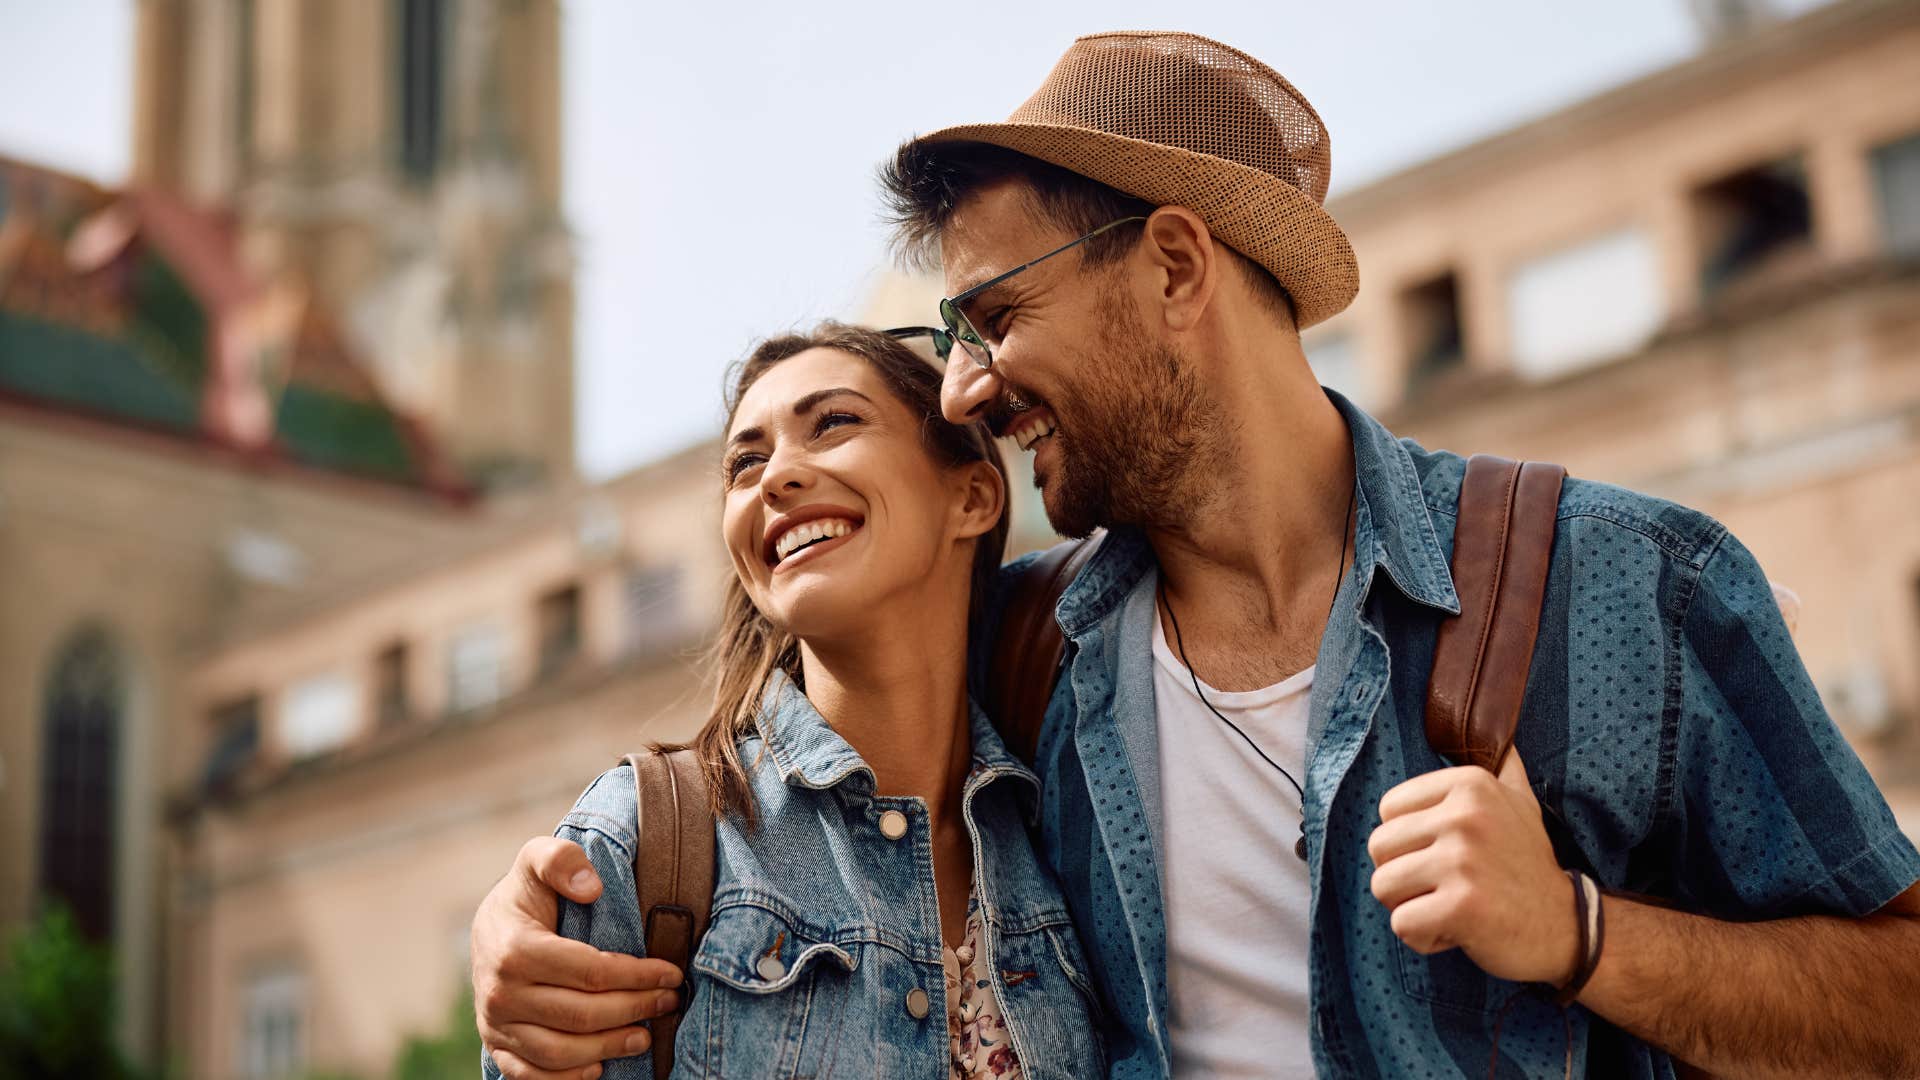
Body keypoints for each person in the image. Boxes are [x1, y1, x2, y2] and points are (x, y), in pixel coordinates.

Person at [472, 32, 1920, 1079]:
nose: (968, 390)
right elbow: (786, 780)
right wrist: (521, 925)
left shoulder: (1626, 587)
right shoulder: (1031, 654)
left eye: (994, 318)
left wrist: (1583, 934)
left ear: (1175, 268)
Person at [478, 325, 1107, 1079]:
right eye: (746, 462)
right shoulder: (644, 840)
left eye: (834, 423)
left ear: (970, 496)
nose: (775, 476)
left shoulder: (1067, 824)